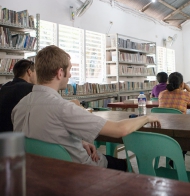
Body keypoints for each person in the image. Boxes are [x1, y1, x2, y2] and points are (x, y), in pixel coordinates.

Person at [12, 45, 161, 171]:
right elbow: (119, 130)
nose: (70, 74)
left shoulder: (20, 106)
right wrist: (146, 117)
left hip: (42, 173)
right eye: (69, 69)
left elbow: (44, 139)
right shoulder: (63, 108)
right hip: (77, 172)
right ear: (60, 73)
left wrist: (81, 143)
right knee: (128, 166)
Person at [0, 59, 37, 132]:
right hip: (15, 135)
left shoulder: (5, 87)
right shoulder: (30, 89)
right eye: (36, 72)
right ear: (29, 72)